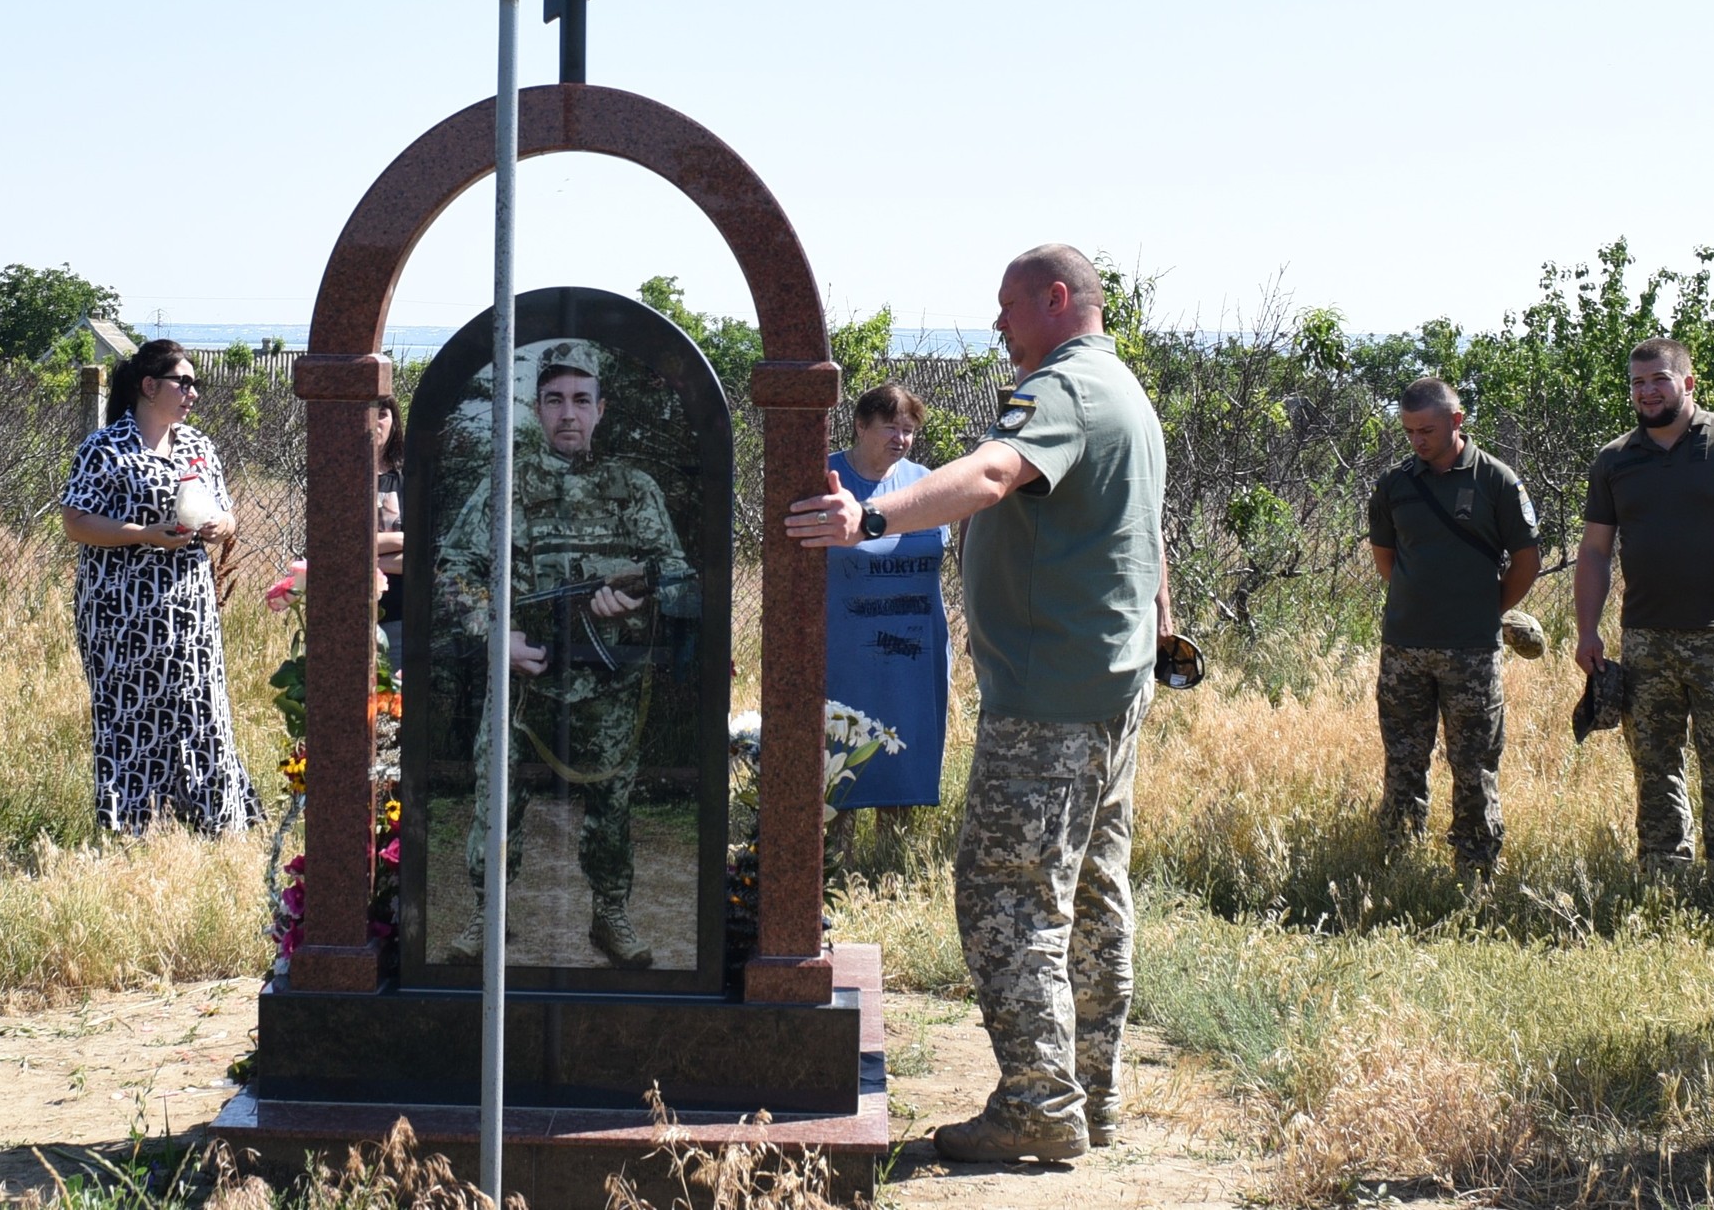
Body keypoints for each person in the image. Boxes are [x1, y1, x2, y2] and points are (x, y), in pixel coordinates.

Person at [790, 244, 1171, 1165]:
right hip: (1110, 688)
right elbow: (1149, 538)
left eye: (1007, 307)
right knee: (1090, 895)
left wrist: (869, 518)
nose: (997, 325)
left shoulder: (1066, 391)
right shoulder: (1126, 392)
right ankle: (1093, 1094)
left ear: (1054, 299)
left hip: (1050, 698)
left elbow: (993, 475)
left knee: (1008, 894)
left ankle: (1039, 1107)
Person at [436, 341, 698, 968]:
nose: (568, 415)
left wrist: (634, 603)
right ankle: (487, 915)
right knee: (496, 805)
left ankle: (610, 915)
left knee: (610, 812)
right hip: (523, 680)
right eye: (555, 400)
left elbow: (682, 579)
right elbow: (454, 569)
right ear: (536, 408)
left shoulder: (632, 489)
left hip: (606, 685)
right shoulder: (507, 484)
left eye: (581, 400)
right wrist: (493, 635)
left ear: (601, 409)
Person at [1575, 337, 1714, 880]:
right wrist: (1588, 630)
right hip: (1646, 638)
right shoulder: (1615, 459)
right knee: (1653, 766)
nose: (1647, 392)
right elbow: (1595, 551)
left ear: (1687, 383)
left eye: (1659, 380)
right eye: (1638, 383)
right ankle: (1664, 876)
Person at [59, 340, 264, 835]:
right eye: (183, 382)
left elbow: (228, 512)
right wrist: (146, 535)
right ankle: (134, 824)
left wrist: (221, 526)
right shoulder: (105, 449)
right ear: (149, 387)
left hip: (188, 603)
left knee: (197, 703)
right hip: (120, 607)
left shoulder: (199, 446)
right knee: (131, 710)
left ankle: (213, 820)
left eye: (195, 384)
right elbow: (76, 522)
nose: (192, 392)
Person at [1367, 377, 1540, 874]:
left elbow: (1527, 559)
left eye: (1427, 430)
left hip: (1471, 651)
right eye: (1408, 432)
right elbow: (1386, 560)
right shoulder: (1395, 484)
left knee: (1474, 765)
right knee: (1403, 761)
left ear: (1456, 422)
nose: (1417, 441)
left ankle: (1476, 866)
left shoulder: (1496, 480)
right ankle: (1398, 861)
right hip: (1405, 647)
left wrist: (1485, 609)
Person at [825, 383, 951, 851]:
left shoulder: (925, 482)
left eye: (909, 430)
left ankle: (891, 856)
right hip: (843, 644)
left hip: (914, 646)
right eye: (890, 427)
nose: (901, 439)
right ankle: (832, 852)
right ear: (860, 426)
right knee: (839, 742)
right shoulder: (827, 477)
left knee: (904, 740)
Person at [373, 397, 406, 676]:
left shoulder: (408, 478)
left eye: (382, 414)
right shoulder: (338, 478)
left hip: (399, 618)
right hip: (349, 617)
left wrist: (362, 558)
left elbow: (420, 554)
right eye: (367, 412)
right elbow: (334, 551)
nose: (374, 421)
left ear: (394, 423)